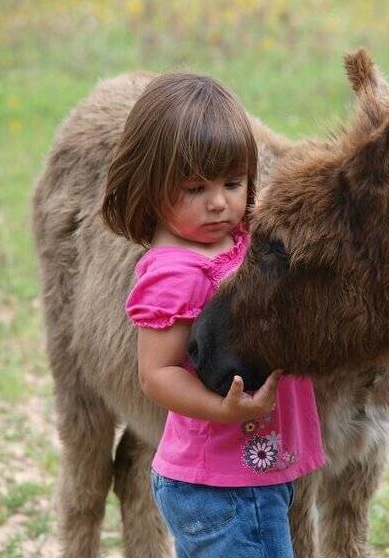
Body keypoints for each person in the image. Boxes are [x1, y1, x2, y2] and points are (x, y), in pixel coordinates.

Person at [101, 73, 324, 558]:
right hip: (225, 484)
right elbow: (156, 374)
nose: (220, 202)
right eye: (196, 187)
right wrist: (223, 411)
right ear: (151, 187)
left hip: (244, 475)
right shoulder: (174, 272)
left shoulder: (232, 239)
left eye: (232, 183)